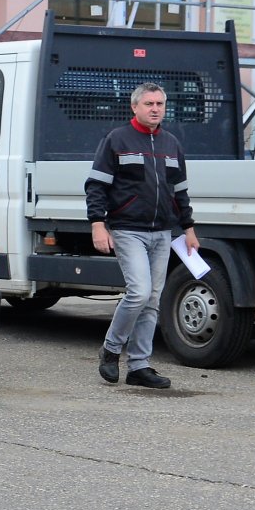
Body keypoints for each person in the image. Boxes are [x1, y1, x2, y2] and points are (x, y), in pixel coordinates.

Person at [86, 82, 197, 389]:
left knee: (152, 300)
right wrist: (98, 224)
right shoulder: (117, 139)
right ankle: (110, 348)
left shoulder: (171, 143)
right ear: (134, 107)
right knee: (139, 293)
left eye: (160, 104)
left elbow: (180, 192)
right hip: (127, 230)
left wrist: (188, 229)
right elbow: (96, 186)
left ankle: (139, 366)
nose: (155, 109)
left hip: (162, 232)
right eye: (148, 103)